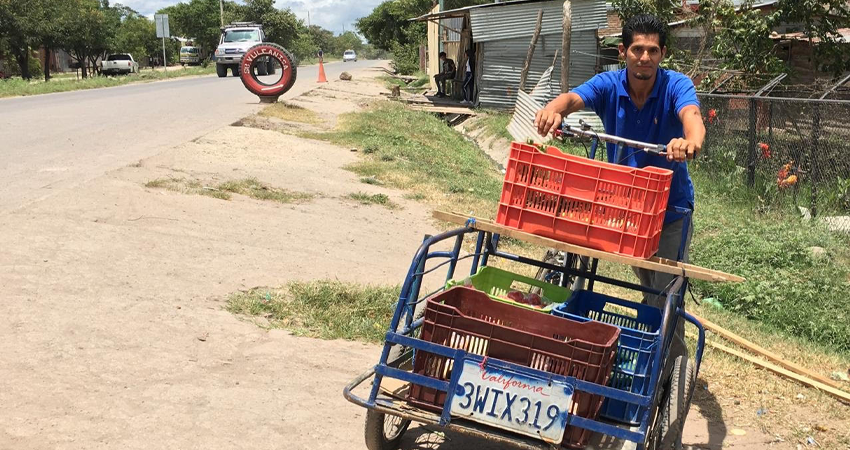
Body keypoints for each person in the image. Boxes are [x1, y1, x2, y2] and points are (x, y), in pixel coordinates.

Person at [534, 14, 706, 365]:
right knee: (631, 277)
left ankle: (669, 367)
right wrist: (553, 110)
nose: (644, 58)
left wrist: (689, 142)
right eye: (637, 49)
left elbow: (693, 118)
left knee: (665, 293)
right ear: (623, 51)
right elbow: (572, 98)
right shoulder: (609, 84)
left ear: (662, 54)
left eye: (653, 51)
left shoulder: (676, 85)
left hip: (670, 210)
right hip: (625, 206)